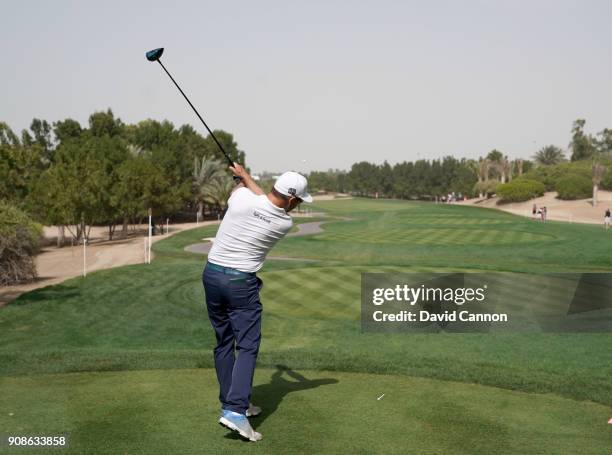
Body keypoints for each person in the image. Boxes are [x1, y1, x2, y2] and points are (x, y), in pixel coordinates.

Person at [202, 163, 312, 442]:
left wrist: (242, 179)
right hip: (241, 284)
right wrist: (247, 178)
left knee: (224, 342)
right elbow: (266, 203)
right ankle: (236, 411)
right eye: (298, 201)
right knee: (248, 345)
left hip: (212, 275)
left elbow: (254, 196)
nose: (297, 206)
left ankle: (233, 401)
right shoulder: (284, 222)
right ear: (290, 199)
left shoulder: (240, 198)